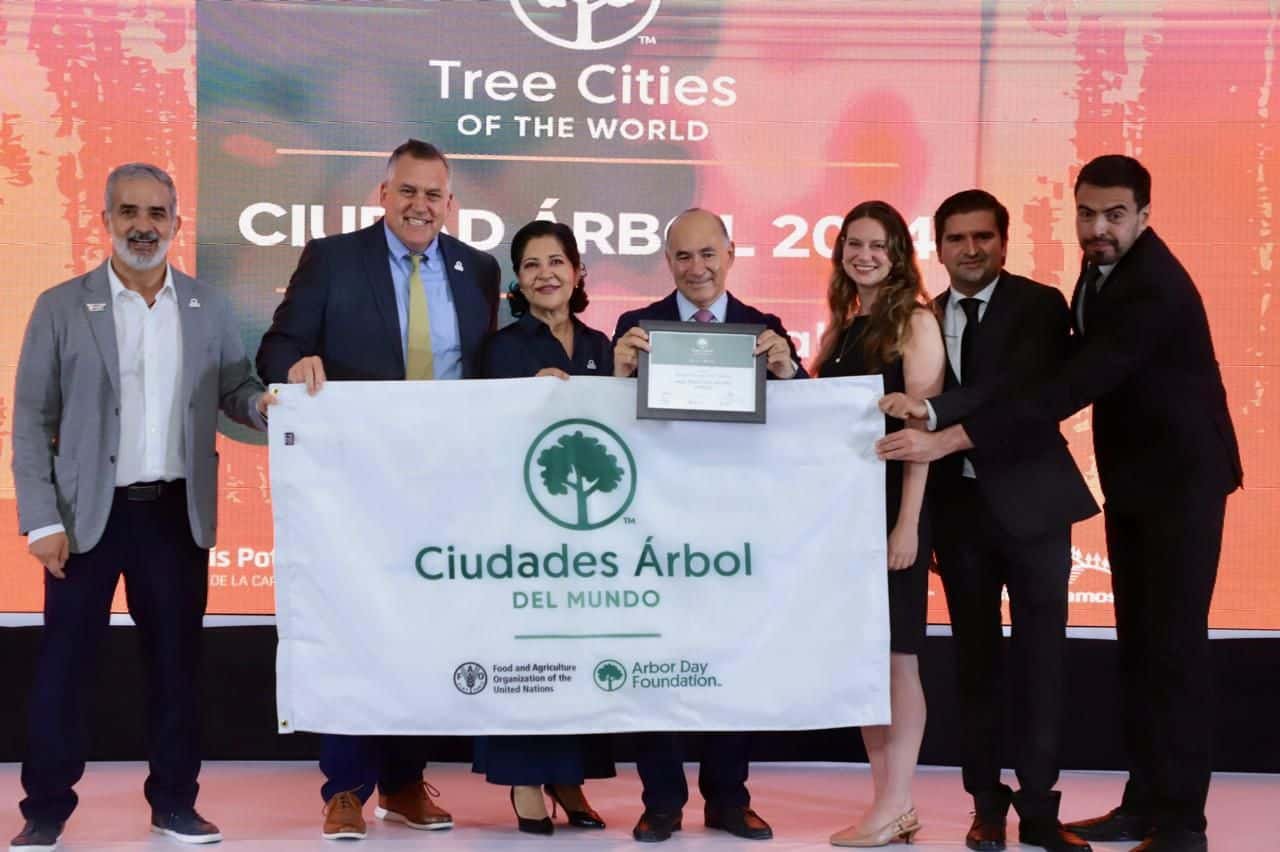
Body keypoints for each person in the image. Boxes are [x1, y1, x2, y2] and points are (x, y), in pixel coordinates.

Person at [878, 157, 1243, 852]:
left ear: (1144, 214)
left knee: (1175, 652)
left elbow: (1067, 387)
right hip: (1136, 485)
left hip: (1183, 485)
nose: (1097, 228)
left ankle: (1183, 823)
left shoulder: (1151, 287)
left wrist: (950, 433)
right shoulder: (1103, 268)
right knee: (1142, 647)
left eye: (1113, 215)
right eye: (1086, 213)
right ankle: (1146, 803)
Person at [9, 163, 275, 850]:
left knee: (177, 668)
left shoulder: (207, 308)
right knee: (65, 668)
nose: (143, 226)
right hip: (85, 519)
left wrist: (267, 406)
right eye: (128, 211)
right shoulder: (61, 306)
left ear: (177, 224)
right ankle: (44, 810)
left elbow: (235, 389)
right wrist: (41, 520)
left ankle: (176, 805)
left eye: (157, 213)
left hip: (174, 516)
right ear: (104, 221)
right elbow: (33, 418)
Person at [255, 139, 500, 841]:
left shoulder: (476, 270)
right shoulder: (333, 259)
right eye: (408, 191)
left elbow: (489, 371)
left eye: (434, 194)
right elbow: (275, 348)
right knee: (350, 628)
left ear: (448, 203)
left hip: (445, 489)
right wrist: (297, 362)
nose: (421, 205)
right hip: (355, 488)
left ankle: (401, 784)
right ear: (382, 195)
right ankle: (344, 788)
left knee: (419, 633)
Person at [612, 208, 804, 843]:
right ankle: (661, 801)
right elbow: (610, 422)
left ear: (731, 254)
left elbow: (806, 422)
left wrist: (789, 374)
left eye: (708, 254)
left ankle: (728, 799)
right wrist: (615, 379)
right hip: (653, 528)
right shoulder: (635, 330)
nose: (697, 268)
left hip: (733, 530)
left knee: (731, 662)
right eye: (683, 257)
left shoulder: (765, 329)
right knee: (651, 662)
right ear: (667, 262)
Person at [917, 190, 1098, 851]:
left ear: (1004, 240)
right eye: (957, 239)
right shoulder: (922, 317)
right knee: (975, 667)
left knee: (1043, 664)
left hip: (1036, 513)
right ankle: (986, 806)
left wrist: (936, 418)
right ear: (937, 248)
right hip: (959, 519)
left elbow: (1018, 393)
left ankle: (1041, 812)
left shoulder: (1039, 306)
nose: (971, 249)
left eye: (983, 237)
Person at [474, 220, 614, 834]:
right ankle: (526, 779)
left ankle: (570, 777)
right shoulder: (502, 348)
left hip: (588, 534)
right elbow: (479, 434)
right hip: (521, 530)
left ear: (577, 272)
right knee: (525, 652)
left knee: (582, 650)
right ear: (518, 281)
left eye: (556, 262)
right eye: (531, 265)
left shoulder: (603, 344)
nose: (546, 275)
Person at [814, 201, 944, 848]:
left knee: (898, 661)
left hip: (893, 514)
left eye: (879, 246)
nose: (864, 255)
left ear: (898, 255)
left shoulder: (915, 321)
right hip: (845, 519)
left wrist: (908, 527)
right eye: (854, 245)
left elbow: (922, 432)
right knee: (869, 662)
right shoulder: (841, 328)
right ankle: (890, 805)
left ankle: (896, 801)